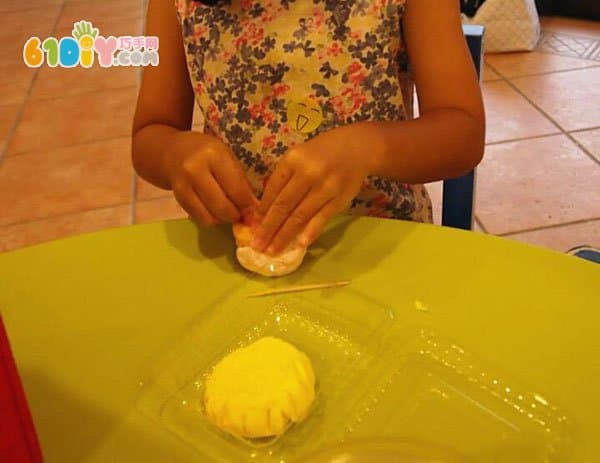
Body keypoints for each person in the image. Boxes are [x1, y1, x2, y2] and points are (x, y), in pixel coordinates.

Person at [132, 0, 485, 256]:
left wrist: (367, 148)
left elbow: (462, 133)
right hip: (238, 252)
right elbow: (150, 133)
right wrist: (175, 156)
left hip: (377, 247)